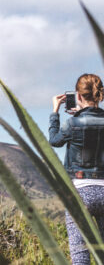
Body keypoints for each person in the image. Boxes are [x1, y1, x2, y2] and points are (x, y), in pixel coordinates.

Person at [49, 73, 104, 264]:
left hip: (80, 193)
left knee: (80, 255)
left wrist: (55, 112)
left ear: (78, 96)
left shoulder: (72, 123)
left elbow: (55, 141)